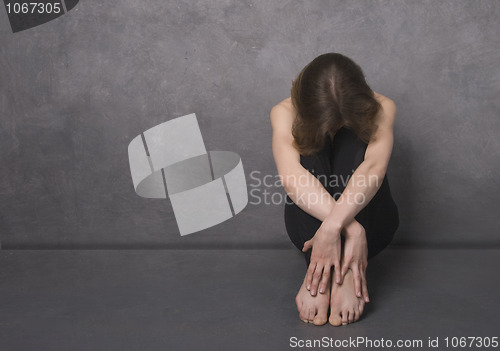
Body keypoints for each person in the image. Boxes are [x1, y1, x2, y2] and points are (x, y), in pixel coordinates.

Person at [270, 53, 399, 326]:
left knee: (353, 140)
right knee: (309, 148)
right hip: (312, 235)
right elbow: (292, 178)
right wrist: (351, 229)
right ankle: (325, 272)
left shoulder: (383, 106)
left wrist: (332, 228)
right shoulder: (284, 111)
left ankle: (346, 271)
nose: (334, 127)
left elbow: (374, 168)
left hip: (373, 228)